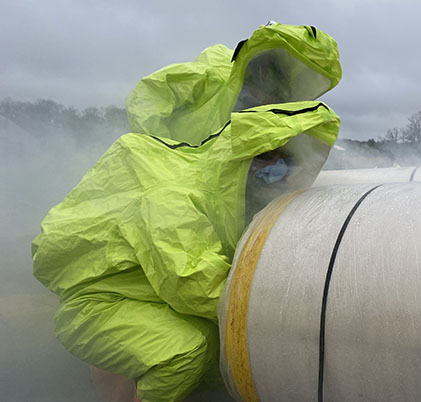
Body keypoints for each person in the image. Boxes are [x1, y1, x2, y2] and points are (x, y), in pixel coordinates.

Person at [32, 22, 342, 402]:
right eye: (264, 159)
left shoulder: (215, 186)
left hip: (136, 293)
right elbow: (195, 283)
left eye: (282, 161)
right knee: (186, 353)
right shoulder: (176, 193)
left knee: (211, 353)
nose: (273, 172)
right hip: (99, 307)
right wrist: (291, 312)